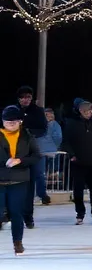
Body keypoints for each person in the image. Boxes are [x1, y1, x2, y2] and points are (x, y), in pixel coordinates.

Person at [1, 105, 39, 254]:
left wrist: (20, 161)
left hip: (19, 180)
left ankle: (18, 242)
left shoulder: (27, 136)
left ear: (20, 122)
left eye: (14, 121)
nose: (11, 124)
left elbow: (36, 156)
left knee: (16, 213)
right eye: (8, 121)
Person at [63, 100, 92, 225]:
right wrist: (72, 155)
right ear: (79, 111)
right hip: (78, 162)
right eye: (85, 110)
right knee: (78, 189)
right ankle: (80, 213)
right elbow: (65, 141)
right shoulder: (71, 123)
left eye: (90, 110)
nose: (88, 112)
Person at [16, 87, 47, 225]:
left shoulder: (37, 111)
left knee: (30, 184)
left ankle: (28, 216)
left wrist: (28, 134)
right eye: (22, 97)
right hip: (14, 151)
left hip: (31, 151)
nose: (25, 99)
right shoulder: (13, 111)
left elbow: (43, 129)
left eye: (28, 96)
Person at [35, 107, 61, 205]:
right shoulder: (45, 124)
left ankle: (42, 194)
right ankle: (41, 194)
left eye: (49, 114)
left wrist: (53, 146)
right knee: (41, 174)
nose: (48, 116)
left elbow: (58, 137)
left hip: (47, 151)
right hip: (43, 151)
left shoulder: (53, 125)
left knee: (43, 173)